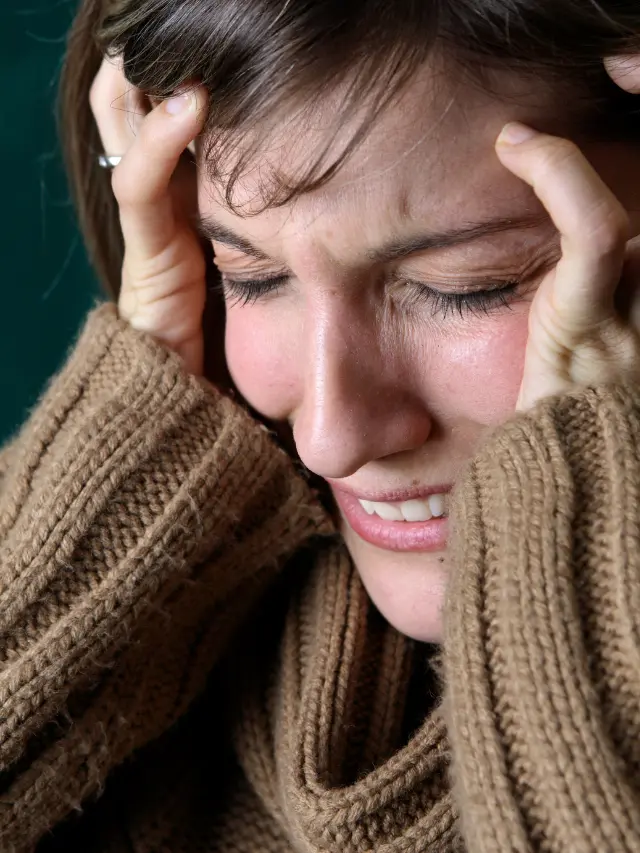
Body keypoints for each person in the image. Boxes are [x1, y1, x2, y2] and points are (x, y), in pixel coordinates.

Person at [2, 0, 640, 849]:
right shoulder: (153, 707)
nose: (331, 436)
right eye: (252, 273)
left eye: (469, 285)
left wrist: (584, 528)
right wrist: (123, 464)